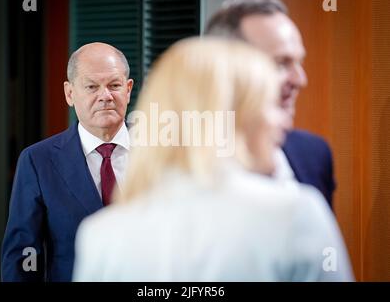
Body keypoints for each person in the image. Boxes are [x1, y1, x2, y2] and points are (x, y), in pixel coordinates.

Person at [72, 38, 353, 281]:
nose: (283, 121)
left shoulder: (99, 236)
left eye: (114, 85)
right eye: (270, 103)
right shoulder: (296, 215)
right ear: (238, 115)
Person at [1, 42, 133, 281]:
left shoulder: (162, 151)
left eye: (114, 85)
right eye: (92, 87)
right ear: (69, 93)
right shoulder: (38, 161)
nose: (105, 96)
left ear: (128, 89)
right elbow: (22, 257)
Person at [205, 0, 336, 208]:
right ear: (226, 69)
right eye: (281, 63)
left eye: (298, 62)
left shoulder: (314, 155)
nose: (300, 80)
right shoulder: (178, 170)